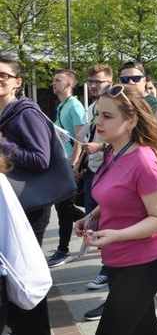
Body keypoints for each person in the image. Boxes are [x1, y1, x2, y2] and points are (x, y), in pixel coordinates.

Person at [74, 84, 157, 334]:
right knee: (146, 330)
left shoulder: (144, 160)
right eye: (97, 115)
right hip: (116, 259)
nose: (98, 122)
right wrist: (91, 217)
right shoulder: (113, 152)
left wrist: (117, 234)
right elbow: (117, 197)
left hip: (142, 262)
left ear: (131, 120)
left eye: (107, 116)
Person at [0, 55, 52, 333]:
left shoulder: (25, 113)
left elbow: (40, 160)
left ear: (18, 82)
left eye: (3, 75)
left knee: (24, 272)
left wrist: (2, 143)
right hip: (11, 206)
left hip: (29, 207)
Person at [79, 65, 114, 305]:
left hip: (111, 169)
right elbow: (84, 136)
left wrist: (100, 147)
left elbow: (128, 142)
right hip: (94, 169)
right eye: (91, 81)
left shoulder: (116, 104)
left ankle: (108, 269)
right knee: (95, 219)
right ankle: (108, 267)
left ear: (110, 82)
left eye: (98, 82)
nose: (93, 85)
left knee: (110, 220)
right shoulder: (92, 107)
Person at [48, 69, 88, 268]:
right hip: (62, 163)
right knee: (63, 207)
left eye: (58, 80)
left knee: (64, 209)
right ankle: (95, 221)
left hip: (69, 165)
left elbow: (80, 137)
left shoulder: (74, 106)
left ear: (69, 84)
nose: (53, 83)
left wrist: (74, 163)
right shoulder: (62, 105)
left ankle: (64, 250)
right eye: (53, 80)